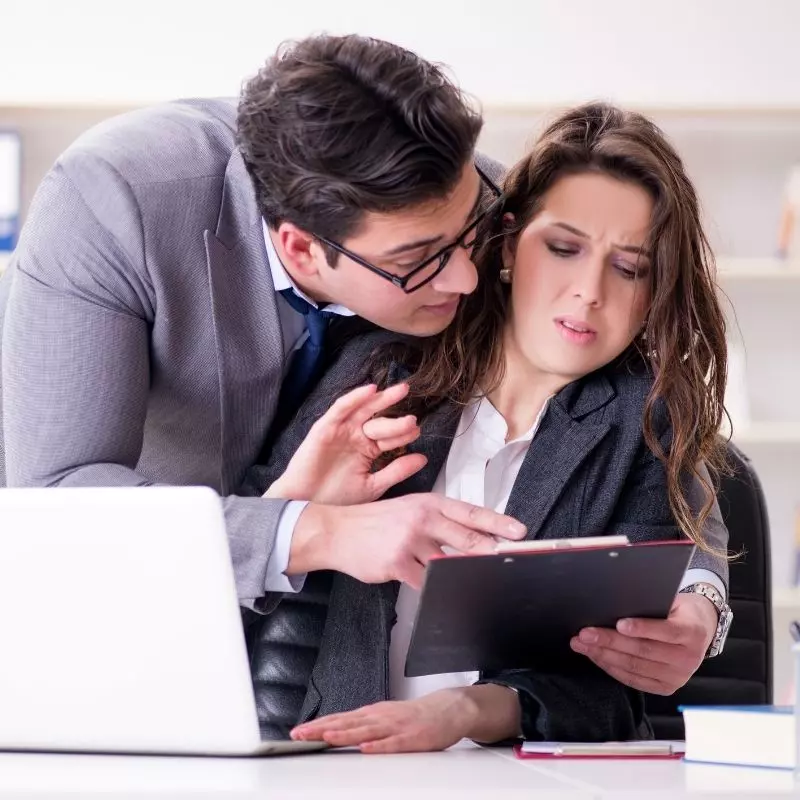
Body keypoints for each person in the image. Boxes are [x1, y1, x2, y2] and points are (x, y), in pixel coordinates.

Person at [0, 35, 725, 713]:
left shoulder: (459, 205)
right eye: (422, 261)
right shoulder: (113, 206)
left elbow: (646, 394)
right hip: (131, 608)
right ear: (304, 250)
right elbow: (61, 507)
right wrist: (313, 530)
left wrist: (702, 594)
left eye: (472, 229)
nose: (471, 278)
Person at [243, 102, 732, 751]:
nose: (588, 291)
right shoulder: (379, 371)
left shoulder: (646, 421)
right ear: (506, 244)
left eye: (630, 267)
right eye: (563, 248)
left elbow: (611, 690)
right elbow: (246, 573)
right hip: (324, 760)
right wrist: (302, 511)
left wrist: (466, 711)